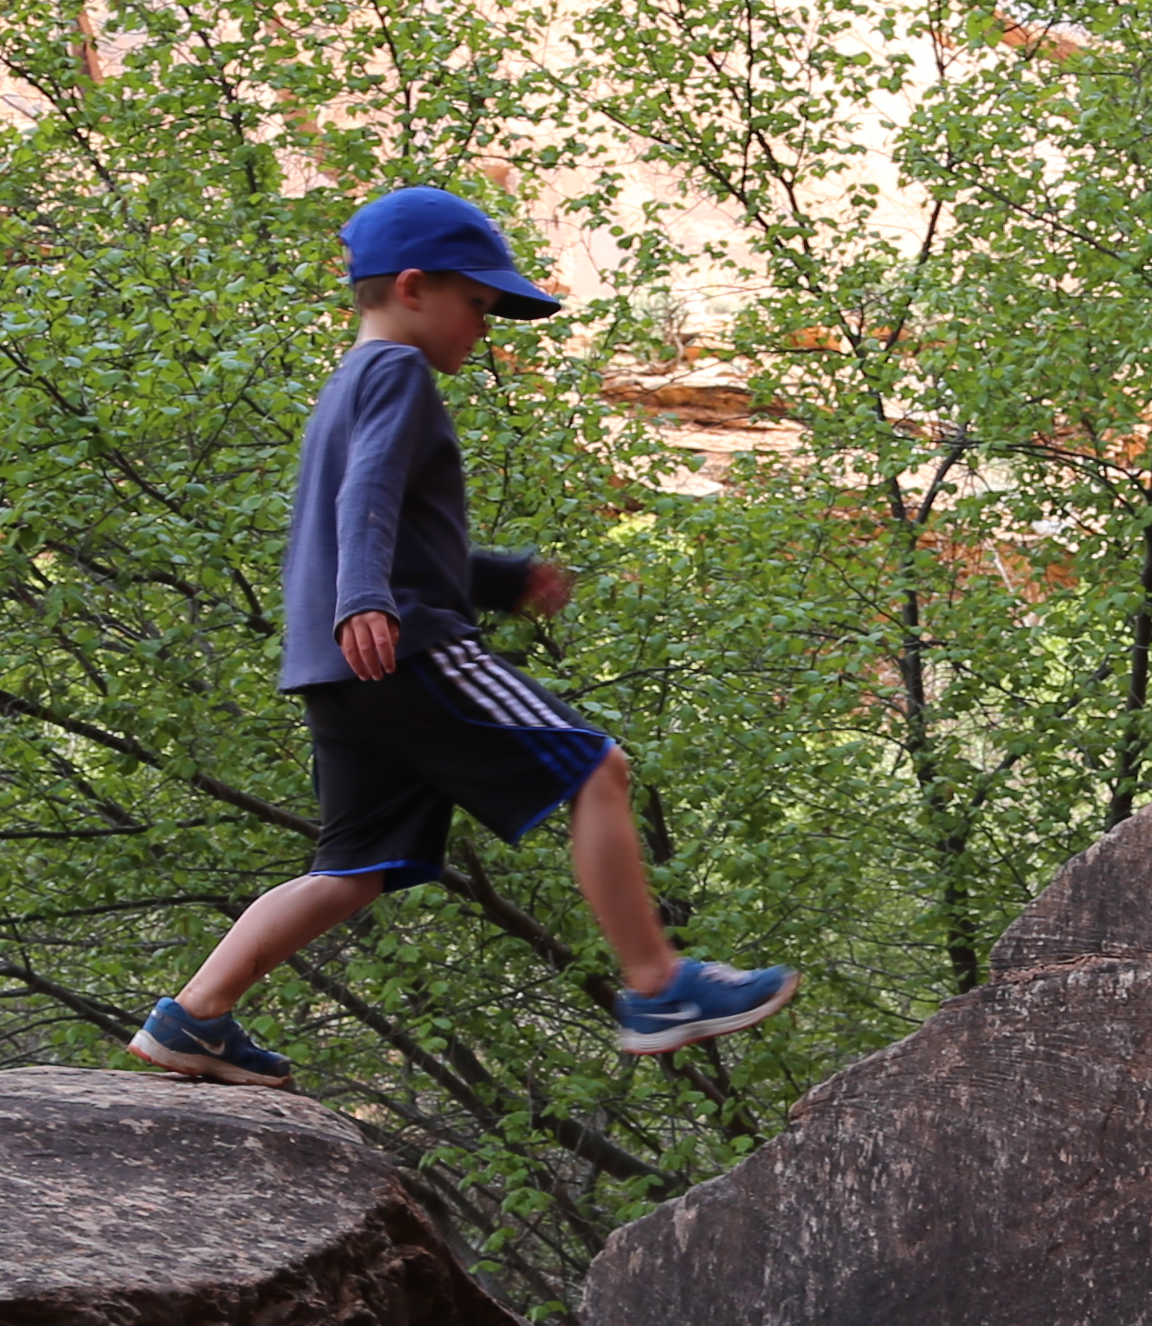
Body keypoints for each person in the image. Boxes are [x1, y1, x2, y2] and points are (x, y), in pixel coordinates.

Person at [131, 183, 796, 1085]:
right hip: (406, 645)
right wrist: (369, 597)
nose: (483, 330)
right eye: (477, 306)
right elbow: (367, 495)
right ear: (412, 288)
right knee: (594, 765)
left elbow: (359, 519)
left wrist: (497, 578)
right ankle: (659, 985)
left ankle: (193, 1018)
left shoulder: (346, 383)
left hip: (335, 669)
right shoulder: (398, 371)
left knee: (356, 865)